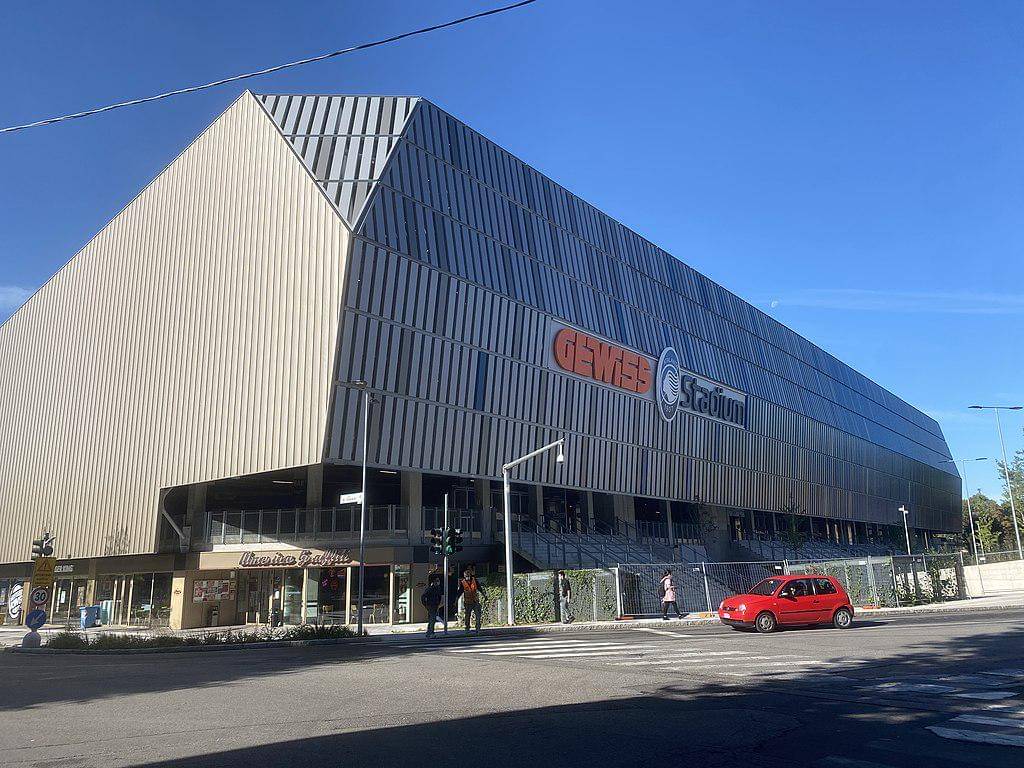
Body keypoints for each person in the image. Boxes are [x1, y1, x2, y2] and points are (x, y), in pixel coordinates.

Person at [455, 567, 488, 633]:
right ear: (464, 576)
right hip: (467, 602)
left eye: (468, 575)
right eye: (466, 576)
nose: (467, 577)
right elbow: (459, 592)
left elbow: (479, 588)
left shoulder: (474, 580)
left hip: (475, 601)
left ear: (470, 575)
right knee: (467, 615)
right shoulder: (463, 583)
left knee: (478, 615)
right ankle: (467, 628)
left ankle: (477, 628)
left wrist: (484, 596)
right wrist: (456, 600)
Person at [421, 573, 444, 638]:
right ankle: (431, 633)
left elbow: (439, 596)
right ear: (433, 582)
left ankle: (429, 633)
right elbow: (423, 596)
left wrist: (439, 603)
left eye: (438, 581)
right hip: (431, 605)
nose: (438, 582)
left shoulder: (438, 588)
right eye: (436, 581)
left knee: (432, 619)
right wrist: (426, 605)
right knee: (432, 619)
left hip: (435, 605)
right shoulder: (430, 588)